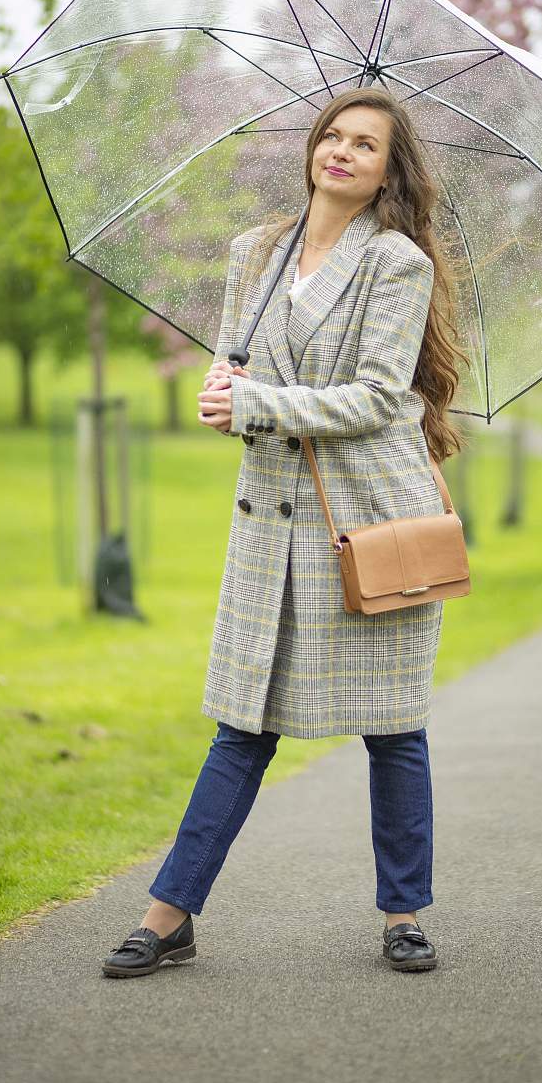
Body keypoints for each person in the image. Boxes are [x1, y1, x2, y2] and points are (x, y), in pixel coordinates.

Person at [102, 87, 468, 978]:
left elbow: (379, 396)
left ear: (388, 172)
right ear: (312, 148)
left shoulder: (396, 263)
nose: (342, 151)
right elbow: (236, 363)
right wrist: (221, 393)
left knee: (394, 727)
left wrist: (257, 401)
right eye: (332, 136)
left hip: (369, 518)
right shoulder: (255, 252)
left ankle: (404, 914)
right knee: (242, 724)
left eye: (365, 145)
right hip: (270, 521)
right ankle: (167, 916)